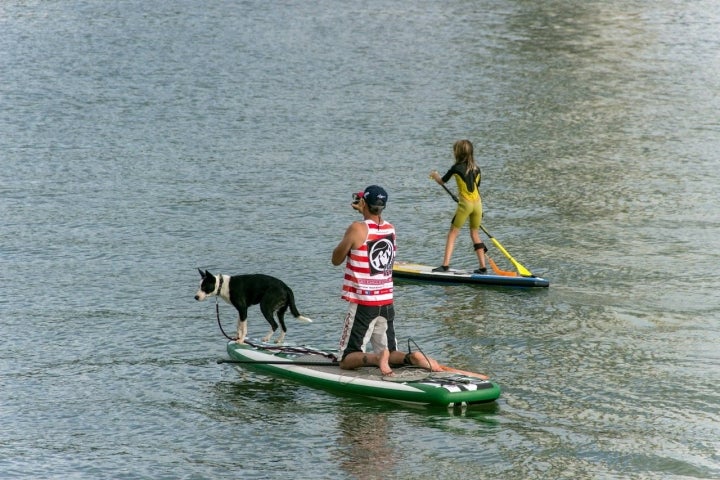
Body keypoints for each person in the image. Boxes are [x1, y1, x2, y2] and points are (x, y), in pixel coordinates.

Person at [331, 185, 441, 376]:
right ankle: (410, 358)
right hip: (386, 301)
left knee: (346, 359)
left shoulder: (356, 228)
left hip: (363, 304)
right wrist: (366, 210)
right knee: (391, 353)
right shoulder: (390, 229)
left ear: (363, 202)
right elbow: (373, 229)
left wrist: (361, 215)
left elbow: (336, 259)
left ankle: (375, 358)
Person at [430, 139, 487, 273]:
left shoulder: (456, 168)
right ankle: (483, 267)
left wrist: (434, 175)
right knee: (475, 233)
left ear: (457, 153)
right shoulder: (477, 169)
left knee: (452, 234)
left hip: (465, 205)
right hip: (478, 205)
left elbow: (442, 181)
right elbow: (476, 187)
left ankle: (445, 265)